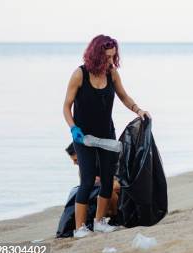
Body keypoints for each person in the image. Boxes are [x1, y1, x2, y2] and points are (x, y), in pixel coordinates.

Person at [63, 34, 151, 238]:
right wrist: (73, 128)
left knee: (106, 180)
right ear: (96, 55)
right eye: (107, 57)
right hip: (83, 137)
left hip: (106, 135)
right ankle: (80, 229)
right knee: (86, 181)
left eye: (113, 57)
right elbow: (66, 106)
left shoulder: (112, 74)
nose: (111, 61)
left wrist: (138, 110)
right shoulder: (79, 74)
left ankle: (100, 222)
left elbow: (123, 96)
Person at [64, 143, 121, 217]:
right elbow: (84, 193)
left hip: (117, 196)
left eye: (76, 160)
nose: (74, 163)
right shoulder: (82, 171)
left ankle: (115, 216)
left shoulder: (106, 162)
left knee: (109, 190)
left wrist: (100, 182)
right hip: (96, 201)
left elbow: (118, 185)